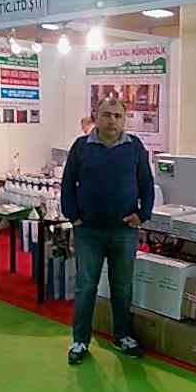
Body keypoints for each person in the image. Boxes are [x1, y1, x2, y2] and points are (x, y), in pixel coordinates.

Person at [61, 97, 154, 364]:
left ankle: (122, 336)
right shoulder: (81, 147)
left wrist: (143, 215)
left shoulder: (134, 147)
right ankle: (80, 341)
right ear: (96, 117)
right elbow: (67, 184)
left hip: (124, 231)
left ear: (124, 119)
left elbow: (146, 184)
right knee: (86, 287)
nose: (112, 120)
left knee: (122, 287)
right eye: (106, 115)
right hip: (88, 232)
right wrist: (73, 216)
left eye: (117, 116)